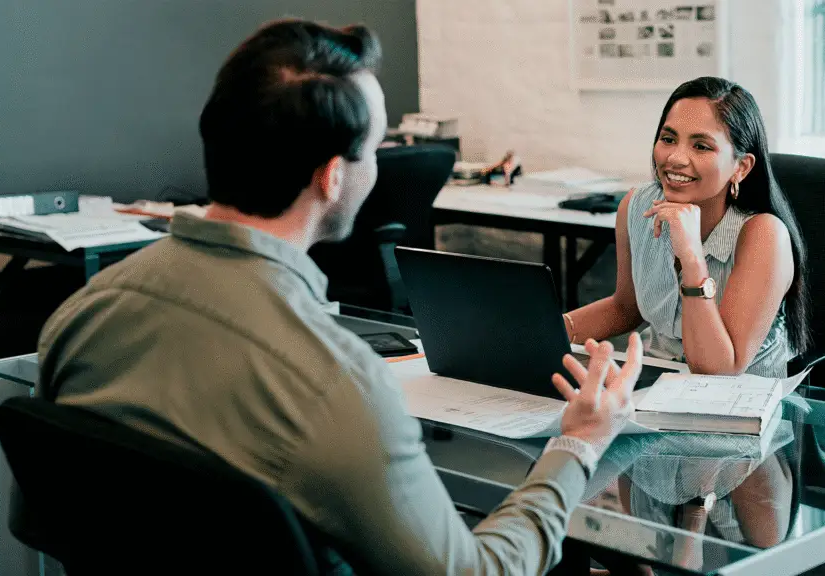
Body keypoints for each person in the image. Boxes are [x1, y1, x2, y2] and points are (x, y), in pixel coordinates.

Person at [35, 19, 645, 575]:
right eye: (375, 150)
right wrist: (579, 442)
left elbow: (38, 517)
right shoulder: (333, 381)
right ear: (331, 176)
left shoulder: (87, 311)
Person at [562, 77, 811, 378]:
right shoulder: (637, 206)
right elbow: (626, 308)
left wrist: (692, 258)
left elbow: (718, 369)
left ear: (741, 167)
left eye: (701, 146)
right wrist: (550, 329)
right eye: (668, 139)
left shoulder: (764, 235)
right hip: (654, 382)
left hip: (737, 398)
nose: (676, 158)